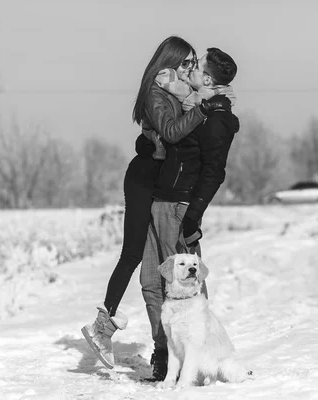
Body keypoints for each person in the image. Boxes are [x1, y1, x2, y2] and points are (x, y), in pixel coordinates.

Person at [80, 36, 230, 370]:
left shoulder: (176, 89)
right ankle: (103, 328)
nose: (191, 68)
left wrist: (216, 101)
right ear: (170, 62)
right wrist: (205, 106)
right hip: (144, 180)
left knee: (170, 270)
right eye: (186, 62)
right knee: (135, 255)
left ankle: (185, 352)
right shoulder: (156, 92)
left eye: (195, 63)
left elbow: (200, 110)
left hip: (163, 185)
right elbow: (172, 131)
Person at [139, 47, 239, 381]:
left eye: (196, 67)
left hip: (180, 204)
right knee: (151, 282)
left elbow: (214, 172)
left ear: (207, 79)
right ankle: (166, 353)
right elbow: (183, 106)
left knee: (190, 283)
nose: (190, 70)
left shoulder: (216, 118)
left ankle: (201, 359)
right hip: (161, 198)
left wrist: (193, 216)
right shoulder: (198, 102)